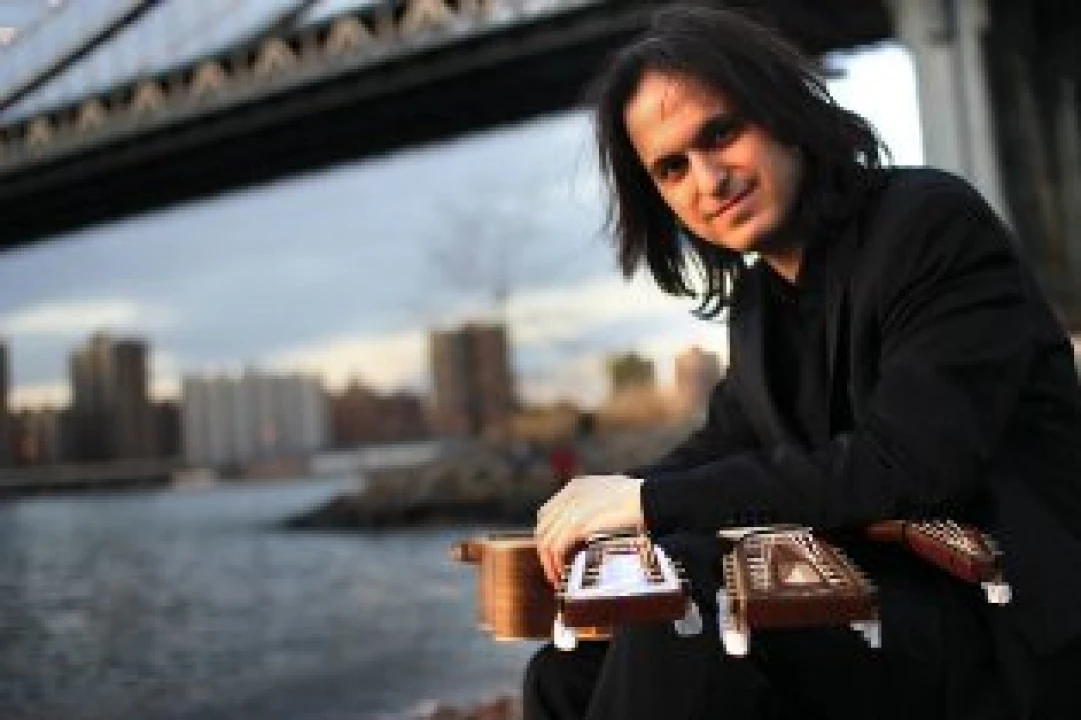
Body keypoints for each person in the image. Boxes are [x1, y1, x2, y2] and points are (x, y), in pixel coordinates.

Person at [526, 5, 1081, 720]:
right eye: (672, 168)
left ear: (781, 110)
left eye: (719, 134)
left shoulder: (930, 225)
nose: (708, 180)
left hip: (1000, 622)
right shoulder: (759, 305)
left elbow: (909, 466)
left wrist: (646, 504)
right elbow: (726, 445)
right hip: (876, 607)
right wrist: (604, 500)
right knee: (566, 667)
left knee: (689, 600)